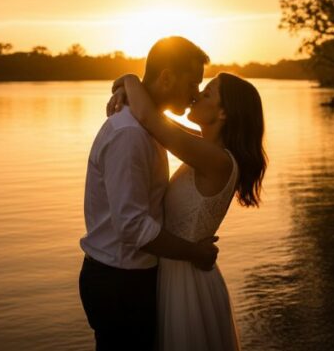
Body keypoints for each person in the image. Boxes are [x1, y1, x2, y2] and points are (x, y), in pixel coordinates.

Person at [79, 36, 220, 351]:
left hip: (131, 278)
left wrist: (128, 82)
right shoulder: (130, 135)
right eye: (193, 83)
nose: (196, 93)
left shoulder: (151, 126)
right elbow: (132, 226)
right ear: (167, 77)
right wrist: (194, 252)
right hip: (119, 282)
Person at [108, 70, 267, 351]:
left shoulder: (216, 159)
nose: (196, 96)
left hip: (187, 280)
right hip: (181, 269)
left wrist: (130, 80)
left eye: (206, 94)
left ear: (223, 115)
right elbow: (155, 119)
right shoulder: (205, 148)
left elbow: (150, 119)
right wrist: (128, 97)